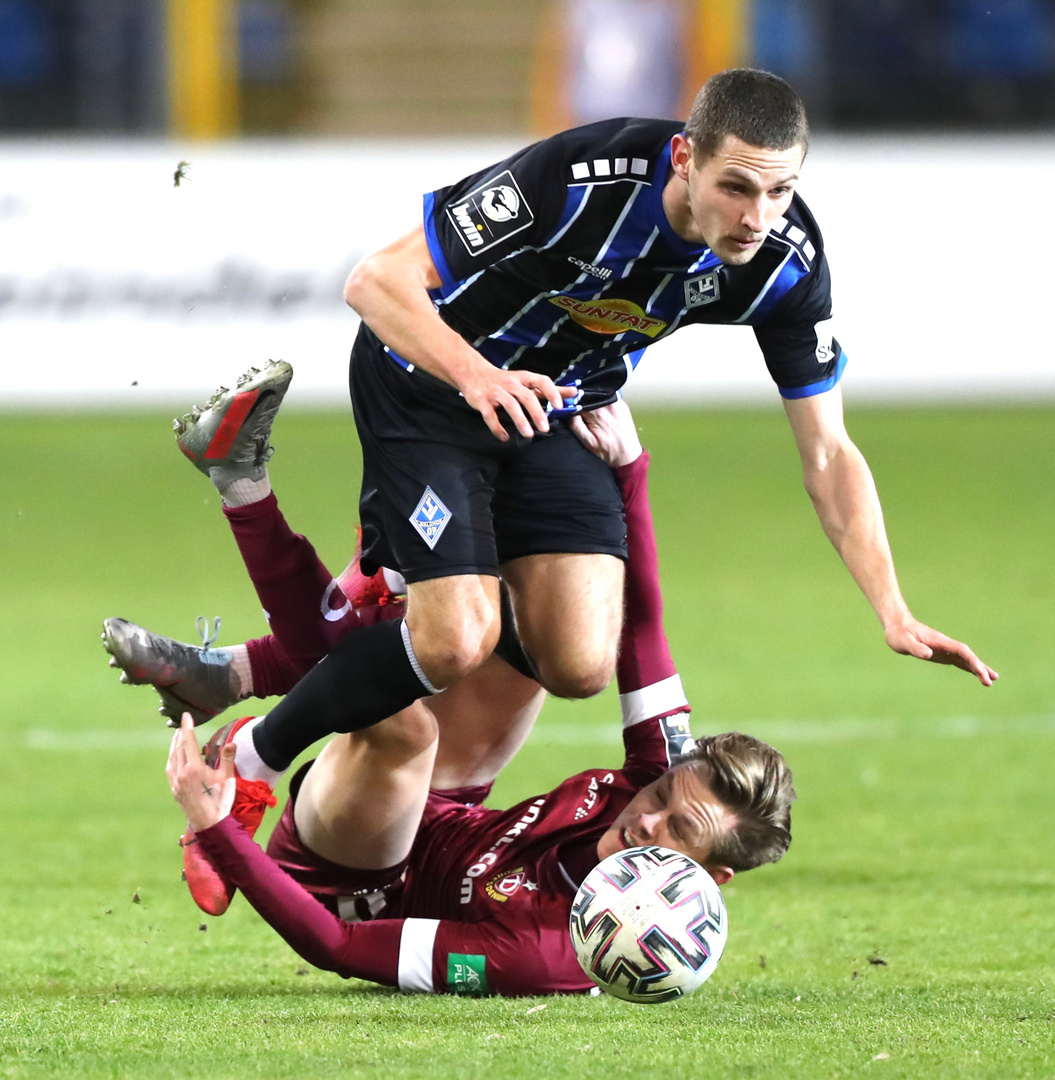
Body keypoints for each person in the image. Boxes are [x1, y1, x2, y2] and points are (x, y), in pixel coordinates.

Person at [198, 68, 994, 801]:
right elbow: (376, 283)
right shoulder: (577, 181)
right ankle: (250, 760)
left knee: (578, 663)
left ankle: (376, 600)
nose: (757, 217)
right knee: (453, 640)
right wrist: (479, 377)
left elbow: (827, 452)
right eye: (736, 188)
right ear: (684, 156)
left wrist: (890, 607)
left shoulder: (782, 262)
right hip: (432, 385)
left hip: (557, 409)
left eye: (781, 191)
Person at [155, 390, 795, 995]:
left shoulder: (545, 952)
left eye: (678, 829)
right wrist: (629, 470)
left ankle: (245, 491)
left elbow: (340, 943)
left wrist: (219, 834)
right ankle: (388, 570)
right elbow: (639, 621)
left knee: (404, 727)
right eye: (660, 798)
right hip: (446, 806)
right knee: (545, 643)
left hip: (355, 878)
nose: (645, 819)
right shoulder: (666, 768)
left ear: (710, 878)